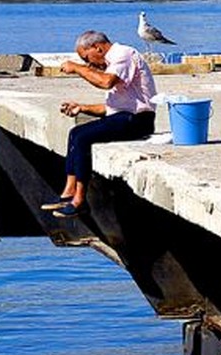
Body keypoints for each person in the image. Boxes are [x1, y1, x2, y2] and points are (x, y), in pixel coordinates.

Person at [42, 30, 157, 218]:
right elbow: (112, 107)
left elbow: (106, 82)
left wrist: (79, 68)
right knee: (75, 132)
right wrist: (81, 107)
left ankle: (80, 201)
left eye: (87, 57)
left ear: (98, 47)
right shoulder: (113, 62)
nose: (89, 63)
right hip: (124, 117)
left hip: (139, 121)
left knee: (83, 138)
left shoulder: (123, 55)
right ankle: (68, 192)